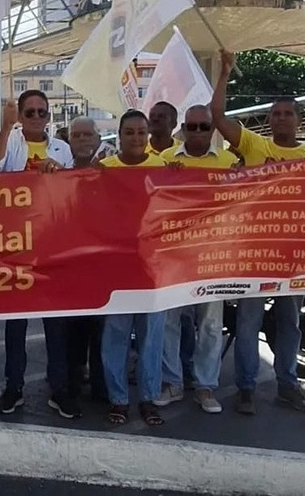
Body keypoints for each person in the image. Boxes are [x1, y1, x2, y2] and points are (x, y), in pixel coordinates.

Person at [211, 49, 305, 416]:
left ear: (298, 120)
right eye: (275, 113)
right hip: (254, 252)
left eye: (288, 113)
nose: (281, 118)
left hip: (295, 255)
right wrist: (224, 74)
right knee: (248, 319)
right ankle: (246, 388)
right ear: (269, 119)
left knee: (290, 322)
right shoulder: (256, 145)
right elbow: (218, 118)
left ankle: (288, 385)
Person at [0, 90, 73, 414]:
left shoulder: (63, 149)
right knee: (16, 323)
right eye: (30, 112)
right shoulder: (11, 142)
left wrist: (61, 174)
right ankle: (14, 386)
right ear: (20, 116)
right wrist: (6, 129)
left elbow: (73, 192)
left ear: (49, 116)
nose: (36, 117)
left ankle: (59, 387)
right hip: (15, 246)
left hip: (51, 245)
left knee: (55, 324)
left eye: (41, 112)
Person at [157, 105, 239, 414]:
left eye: (203, 127)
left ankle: (206, 386)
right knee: (169, 321)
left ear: (212, 129)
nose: (198, 132)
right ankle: (172, 382)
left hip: (213, 255)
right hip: (174, 254)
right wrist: (166, 179)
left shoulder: (230, 163)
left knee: (210, 324)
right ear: (183, 128)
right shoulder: (166, 161)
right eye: (192, 127)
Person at [98, 110, 168, 426]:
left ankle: (149, 398)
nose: (136, 138)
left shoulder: (165, 169)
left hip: (155, 268)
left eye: (141, 132)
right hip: (117, 267)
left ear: (148, 133)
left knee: (152, 337)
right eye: (129, 132)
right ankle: (118, 399)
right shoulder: (104, 170)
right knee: (116, 335)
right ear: (120, 135)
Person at [64, 117, 107, 402]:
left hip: (104, 267)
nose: (81, 139)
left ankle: (103, 385)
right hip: (69, 268)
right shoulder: (57, 176)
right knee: (73, 330)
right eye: (76, 135)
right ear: (69, 141)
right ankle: (73, 379)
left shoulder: (113, 174)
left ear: (97, 138)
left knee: (102, 333)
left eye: (87, 135)